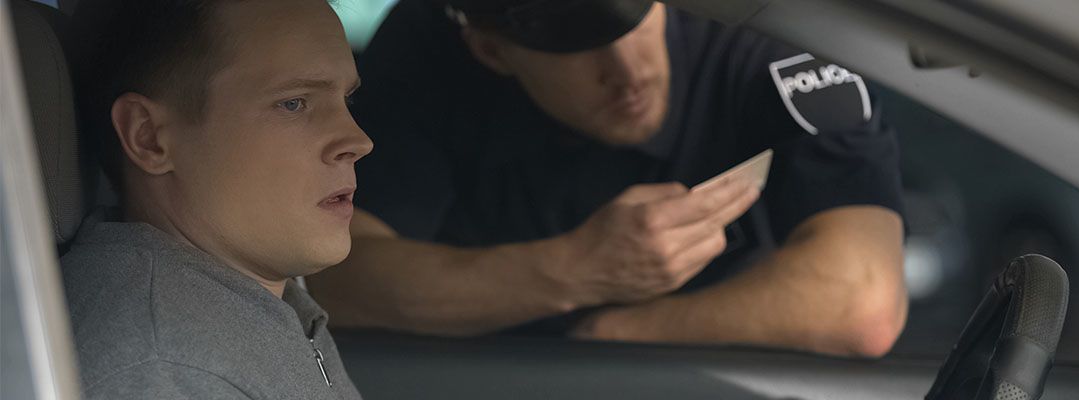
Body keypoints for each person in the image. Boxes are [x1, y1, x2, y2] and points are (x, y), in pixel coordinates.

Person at [309, 0, 907, 357]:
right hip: (483, 377)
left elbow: (862, 302)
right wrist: (574, 270)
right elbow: (338, 278)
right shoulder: (431, 46)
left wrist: (614, 331)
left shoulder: (767, 32)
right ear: (492, 52)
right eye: (576, 45)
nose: (626, 71)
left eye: (633, 16)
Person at [62, 0, 372, 398]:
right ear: (149, 137)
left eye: (347, 101)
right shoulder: (165, 372)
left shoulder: (251, 299)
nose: (358, 141)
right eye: (293, 103)